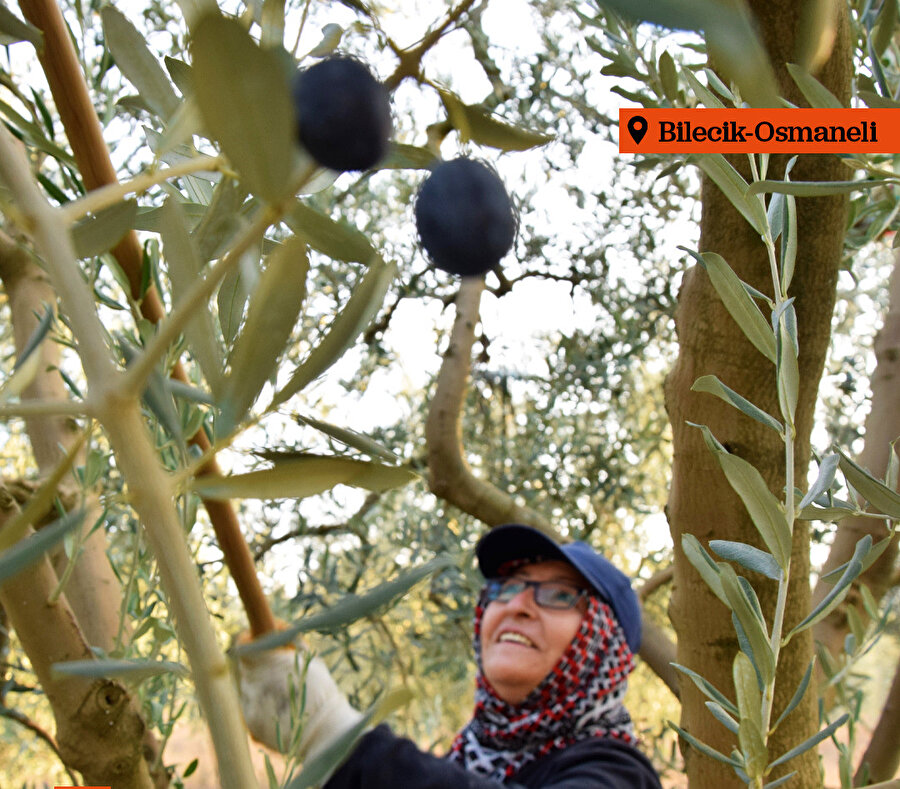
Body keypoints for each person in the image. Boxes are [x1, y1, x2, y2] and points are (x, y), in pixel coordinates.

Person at [238, 523, 663, 788]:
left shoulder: (618, 773)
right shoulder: (467, 757)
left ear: (602, 645)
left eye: (559, 594)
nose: (517, 604)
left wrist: (332, 735)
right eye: (507, 586)